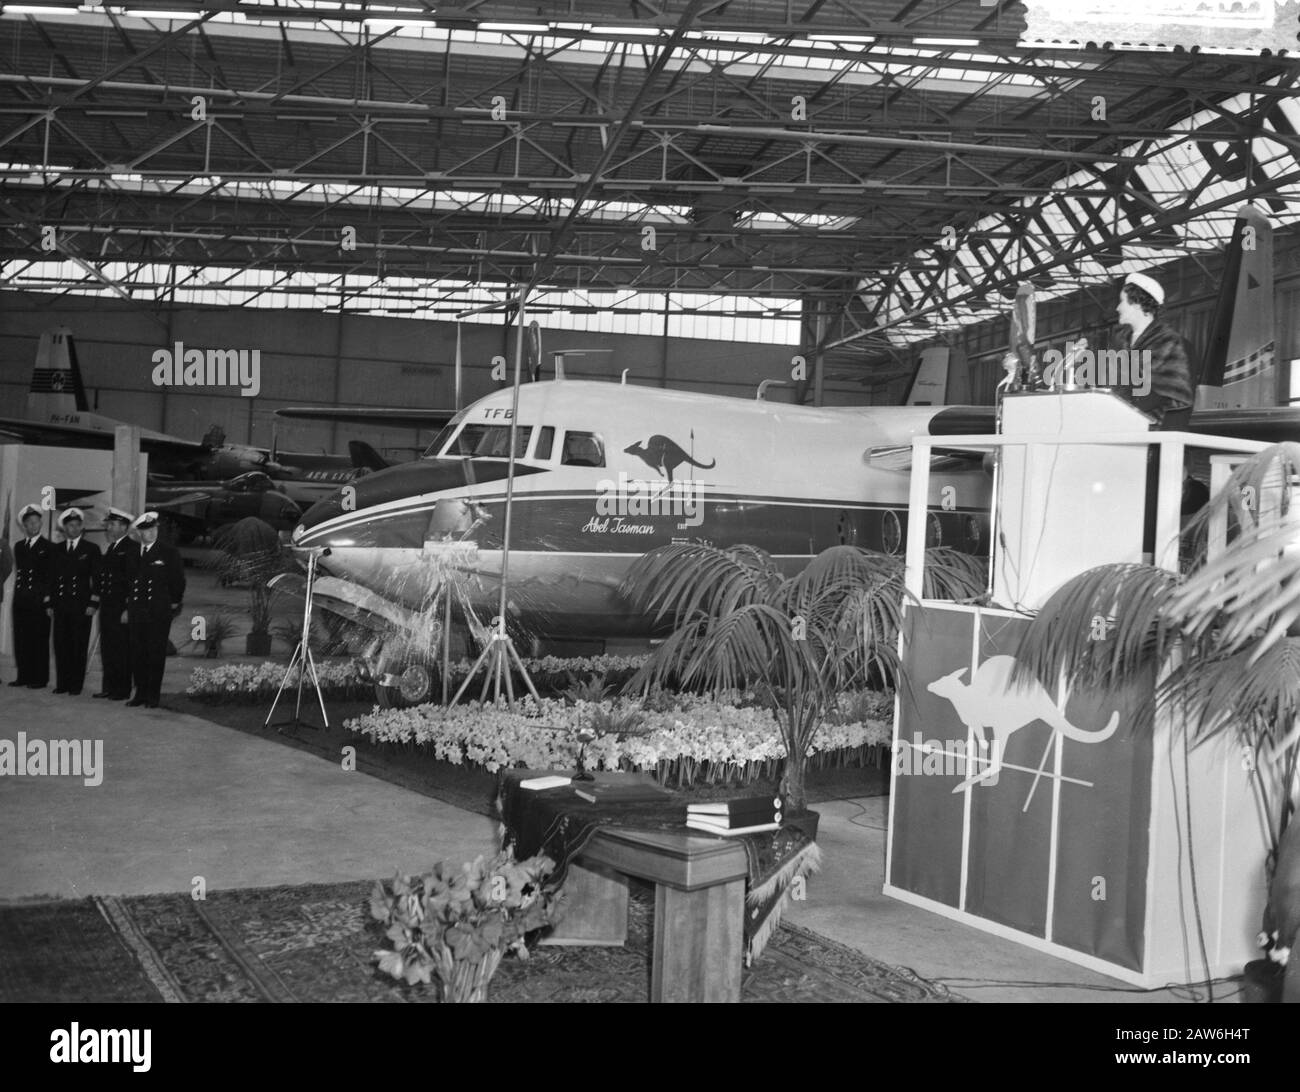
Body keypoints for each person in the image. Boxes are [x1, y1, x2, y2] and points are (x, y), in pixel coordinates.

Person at [1108, 270, 1194, 430]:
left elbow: (1174, 397)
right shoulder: (1120, 342)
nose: (1118, 308)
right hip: (1122, 427)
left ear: (1137, 303)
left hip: (1153, 431)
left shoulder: (1169, 342)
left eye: (1122, 301)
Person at [125, 512, 185, 709]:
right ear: (139, 533)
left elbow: (178, 580)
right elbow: (128, 581)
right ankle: (140, 693)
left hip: (158, 610)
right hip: (137, 610)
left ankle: (153, 696)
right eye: (146, 531)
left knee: (155, 654)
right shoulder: (133, 553)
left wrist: (174, 603)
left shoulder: (168, 552)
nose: (150, 533)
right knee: (137, 653)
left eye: (153, 529)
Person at [48, 508, 101, 696]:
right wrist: (50, 603)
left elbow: (97, 579)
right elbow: (52, 579)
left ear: (82, 528)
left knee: (78, 645)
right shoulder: (57, 549)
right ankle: (62, 683)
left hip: (81, 606)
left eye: (78, 525)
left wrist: (94, 603)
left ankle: (76, 685)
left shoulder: (91, 549)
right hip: (61, 604)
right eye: (71, 525)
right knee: (61, 645)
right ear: (64, 528)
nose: (74, 528)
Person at [94, 507, 139, 700]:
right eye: (109, 524)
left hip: (121, 608)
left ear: (124, 527)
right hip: (108, 606)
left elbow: (132, 581)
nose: (109, 528)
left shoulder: (131, 549)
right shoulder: (112, 548)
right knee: (108, 647)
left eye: (112, 524)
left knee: (121, 649)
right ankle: (109, 686)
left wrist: (128, 609)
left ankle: (121, 689)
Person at [9, 504, 52, 689]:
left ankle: (39, 678)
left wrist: (48, 598)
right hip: (21, 599)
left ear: (41, 523)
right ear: (24, 526)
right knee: (21, 638)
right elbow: (21, 573)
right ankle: (23, 675)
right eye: (29, 523)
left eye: (36, 522)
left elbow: (50, 576)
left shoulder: (49, 547)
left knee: (39, 639)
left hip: (38, 599)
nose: (33, 525)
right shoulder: (18, 546)